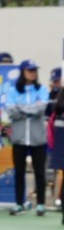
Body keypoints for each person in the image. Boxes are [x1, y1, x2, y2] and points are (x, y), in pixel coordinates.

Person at [6, 59, 50, 216]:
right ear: (23, 72)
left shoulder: (43, 89)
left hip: (38, 138)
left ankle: (40, 204)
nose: (33, 72)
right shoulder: (13, 91)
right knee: (19, 172)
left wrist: (20, 108)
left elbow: (41, 108)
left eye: (34, 70)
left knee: (40, 171)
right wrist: (30, 109)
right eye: (30, 70)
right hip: (19, 138)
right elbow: (10, 112)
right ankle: (18, 203)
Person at [48, 85, 64, 218]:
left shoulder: (57, 110)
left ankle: (59, 201)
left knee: (60, 176)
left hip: (59, 148)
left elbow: (51, 132)